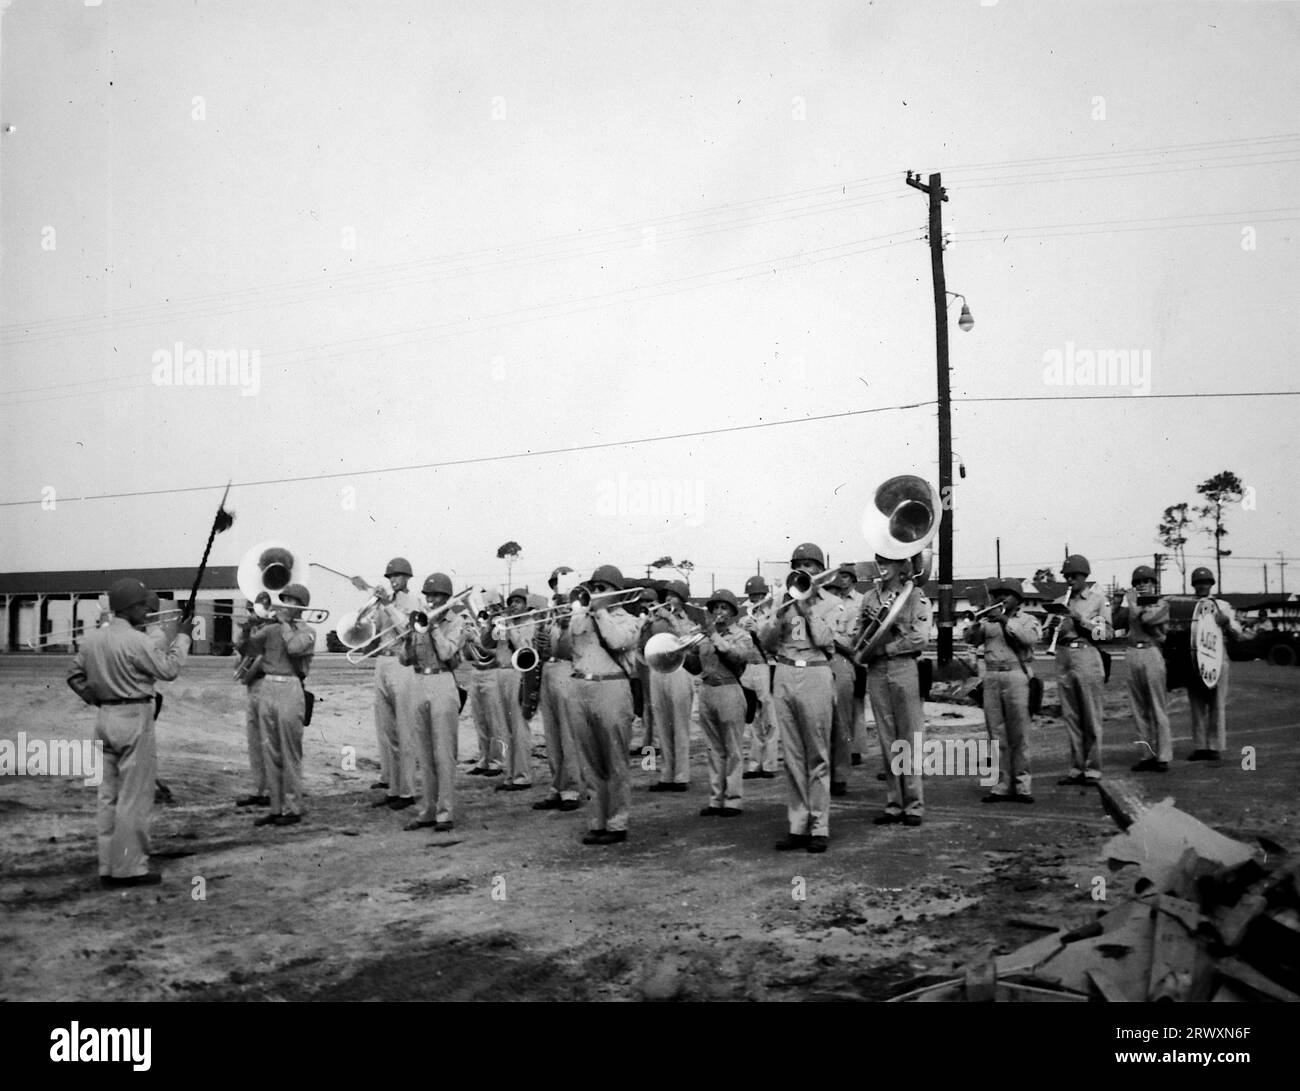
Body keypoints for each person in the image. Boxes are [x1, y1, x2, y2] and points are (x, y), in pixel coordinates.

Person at [67, 578, 194, 887]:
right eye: (142, 605)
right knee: (134, 796)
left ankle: (108, 866)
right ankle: (130, 868)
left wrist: (97, 696)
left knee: (107, 795)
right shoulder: (137, 642)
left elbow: (74, 676)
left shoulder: (92, 640)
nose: (146, 610)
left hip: (105, 716)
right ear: (132, 608)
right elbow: (169, 670)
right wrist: (183, 639)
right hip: (134, 716)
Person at [758, 543, 836, 853]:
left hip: (816, 671)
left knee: (817, 755)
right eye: (799, 564)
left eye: (811, 565)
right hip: (785, 672)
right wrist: (780, 611)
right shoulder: (781, 599)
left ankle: (820, 826)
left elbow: (828, 640)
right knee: (791, 756)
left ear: (820, 570)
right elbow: (765, 641)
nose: (805, 570)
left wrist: (807, 608)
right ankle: (798, 824)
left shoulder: (829, 602)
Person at [856, 553, 932, 827]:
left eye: (888, 561)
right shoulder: (868, 598)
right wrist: (867, 625)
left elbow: (921, 636)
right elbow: (857, 639)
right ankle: (893, 803)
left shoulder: (915, 596)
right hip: (876, 670)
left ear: (903, 566)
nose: (881, 566)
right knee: (887, 739)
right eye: (879, 560)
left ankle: (914, 804)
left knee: (908, 738)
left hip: (903, 667)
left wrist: (890, 635)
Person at [568, 566, 641, 845]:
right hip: (581, 687)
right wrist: (580, 612)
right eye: (593, 588)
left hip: (611, 687)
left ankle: (617, 821)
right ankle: (596, 820)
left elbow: (617, 641)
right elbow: (570, 644)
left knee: (615, 758)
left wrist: (600, 611)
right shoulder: (583, 616)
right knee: (589, 760)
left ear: (618, 593)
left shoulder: (629, 619)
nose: (595, 593)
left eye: (602, 588)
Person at [398, 574, 466, 832]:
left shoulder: (456, 622)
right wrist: (407, 637)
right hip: (418, 682)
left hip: (442, 682)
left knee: (444, 751)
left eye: (436, 596)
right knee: (423, 752)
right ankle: (426, 810)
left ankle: (445, 812)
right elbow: (405, 660)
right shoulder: (418, 621)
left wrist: (434, 627)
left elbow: (448, 653)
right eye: (428, 596)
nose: (431, 600)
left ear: (447, 599)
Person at [246, 584, 317, 827]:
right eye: (284, 599)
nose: (285, 604)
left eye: (291, 601)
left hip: (290, 687)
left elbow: (294, 648)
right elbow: (248, 647)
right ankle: (276, 808)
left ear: (301, 607)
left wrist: (284, 624)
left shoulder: (308, 631)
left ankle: (293, 808)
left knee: (289, 751)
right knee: (271, 750)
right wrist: (252, 624)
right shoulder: (272, 628)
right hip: (268, 687)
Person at [964, 579, 1040, 802]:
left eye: (1007, 594)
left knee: (1020, 733)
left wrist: (1005, 620)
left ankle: (1022, 785)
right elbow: (971, 640)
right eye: (998, 594)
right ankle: (1001, 784)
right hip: (992, 675)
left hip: (1017, 674)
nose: (1001, 598)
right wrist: (977, 622)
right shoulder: (989, 620)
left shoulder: (1028, 619)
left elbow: (1029, 639)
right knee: (996, 734)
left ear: (1018, 598)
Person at [689, 590, 760, 817]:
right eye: (715, 608)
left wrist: (714, 636)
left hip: (730, 688)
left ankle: (733, 800)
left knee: (733, 748)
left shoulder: (741, 635)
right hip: (707, 690)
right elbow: (695, 666)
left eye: (723, 608)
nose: (718, 612)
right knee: (713, 749)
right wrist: (680, 652)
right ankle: (715, 799)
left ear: (732, 612)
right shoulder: (704, 636)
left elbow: (738, 658)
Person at [1053, 555, 1113, 786]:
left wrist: (1080, 619)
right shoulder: (1060, 601)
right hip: (1064, 655)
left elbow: (1106, 634)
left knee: (1090, 714)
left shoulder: (1098, 600)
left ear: (1084, 577)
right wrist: (1053, 627)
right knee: (1071, 715)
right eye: (1066, 576)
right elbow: (1053, 635)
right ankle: (1076, 767)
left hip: (1087, 653)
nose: (1069, 580)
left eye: (1074, 576)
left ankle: (1093, 769)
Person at [370, 557, 419, 811]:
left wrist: (388, 606)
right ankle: (392, 787)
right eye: (390, 577)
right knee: (386, 730)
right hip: (382, 661)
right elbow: (372, 631)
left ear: (407, 578)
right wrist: (374, 610)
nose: (392, 581)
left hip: (402, 662)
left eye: (397, 577)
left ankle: (408, 791)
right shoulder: (386, 601)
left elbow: (407, 629)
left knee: (405, 730)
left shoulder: (413, 601)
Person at [533, 568, 583, 812]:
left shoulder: (578, 612)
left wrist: (564, 626)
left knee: (568, 735)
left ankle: (572, 788)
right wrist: (541, 643)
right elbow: (543, 649)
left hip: (567, 672)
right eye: (554, 585)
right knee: (551, 736)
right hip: (548, 672)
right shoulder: (550, 614)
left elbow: (575, 647)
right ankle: (557, 786)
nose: (557, 590)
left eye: (560, 585)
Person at [1114, 565, 1172, 773]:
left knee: (1157, 706)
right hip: (1132, 652)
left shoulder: (1161, 603)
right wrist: (1116, 603)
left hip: (1151, 652)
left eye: (1146, 582)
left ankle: (1163, 756)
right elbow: (1115, 623)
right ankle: (1147, 755)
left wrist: (1133, 603)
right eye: (1137, 583)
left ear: (1153, 584)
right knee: (1138, 709)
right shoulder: (1132, 604)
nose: (1141, 586)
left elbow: (1148, 619)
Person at [1186, 567, 1243, 761]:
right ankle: (1200, 746)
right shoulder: (1188, 605)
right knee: (1196, 704)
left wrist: (1226, 623)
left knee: (1217, 704)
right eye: (1198, 583)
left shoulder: (1222, 605)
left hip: (1217, 658)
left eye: (1206, 582)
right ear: (1193, 585)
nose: (1202, 586)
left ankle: (1215, 746)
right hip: (1195, 660)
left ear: (1211, 584)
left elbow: (1237, 632)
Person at [646, 581, 696, 792]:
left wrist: (671, 619)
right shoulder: (657, 618)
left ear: (682, 600)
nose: (668, 599)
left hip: (679, 671)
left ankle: (681, 775)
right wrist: (646, 624)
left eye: (674, 596)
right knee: (662, 723)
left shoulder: (688, 621)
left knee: (679, 724)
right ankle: (666, 774)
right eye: (667, 595)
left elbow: (687, 642)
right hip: (657, 670)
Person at [821, 563, 864, 797]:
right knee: (819, 723)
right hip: (818, 665)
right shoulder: (816, 609)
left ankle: (839, 776)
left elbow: (851, 644)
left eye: (836, 590)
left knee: (842, 723)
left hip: (841, 663)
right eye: (829, 589)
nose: (832, 594)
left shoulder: (851, 610)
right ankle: (821, 774)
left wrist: (828, 635)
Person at [233, 595, 273, 808]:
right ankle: (259, 789)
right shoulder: (250, 630)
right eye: (250, 610)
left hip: (265, 684)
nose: (251, 614)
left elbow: (263, 657)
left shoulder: (271, 629)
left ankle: (271, 790)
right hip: (252, 688)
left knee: (268, 740)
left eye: (254, 610)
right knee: (254, 741)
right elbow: (241, 652)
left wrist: (247, 675)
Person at [494, 588, 535, 791]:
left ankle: (523, 775)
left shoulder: (529, 623)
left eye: (518, 602)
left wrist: (509, 624)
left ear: (526, 605)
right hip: (501, 673)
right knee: (504, 728)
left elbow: (522, 647)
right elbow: (490, 645)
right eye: (512, 601)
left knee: (519, 726)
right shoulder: (503, 623)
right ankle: (509, 773)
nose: (513, 605)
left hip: (518, 673)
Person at [463, 589, 507, 776]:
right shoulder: (484, 624)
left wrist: (477, 641)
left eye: (493, 606)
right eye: (488, 606)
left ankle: (497, 761)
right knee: (480, 720)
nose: (490, 610)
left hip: (491, 673)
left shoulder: (500, 626)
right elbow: (469, 655)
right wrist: (467, 640)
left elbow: (496, 654)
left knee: (494, 720)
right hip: (477, 672)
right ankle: (484, 759)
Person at [738, 575, 778, 779]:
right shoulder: (744, 618)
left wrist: (758, 631)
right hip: (749, 666)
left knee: (769, 716)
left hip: (766, 665)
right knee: (752, 717)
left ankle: (770, 764)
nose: (755, 599)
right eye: (752, 596)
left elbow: (773, 645)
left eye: (759, 595)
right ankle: (754, 764)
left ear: (765, 595)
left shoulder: (771, 616)